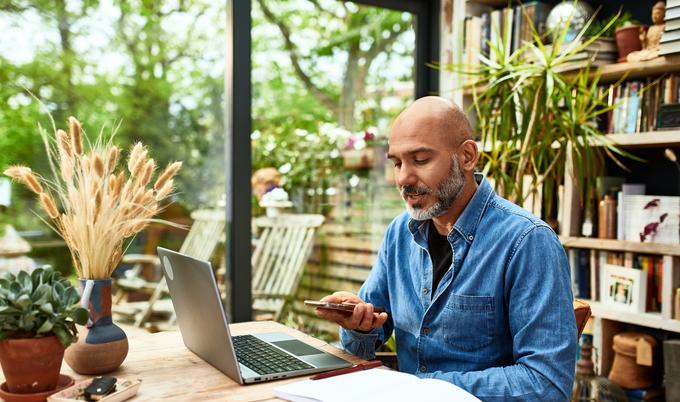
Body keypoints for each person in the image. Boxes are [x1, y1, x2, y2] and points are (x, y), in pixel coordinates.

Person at [315, 96, 576, 401]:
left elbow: (547, 384)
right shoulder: (399, 233)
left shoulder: (528, 241)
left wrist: (423, 390)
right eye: (398, 162)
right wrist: (358, 326)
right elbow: (369, 337)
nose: (404, 179)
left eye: (421, 160)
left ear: (467, 156)